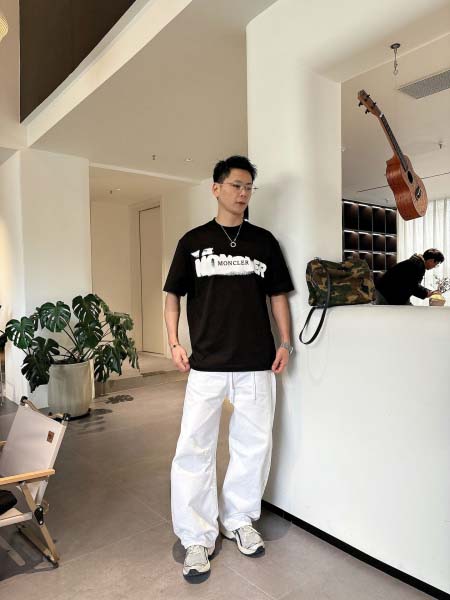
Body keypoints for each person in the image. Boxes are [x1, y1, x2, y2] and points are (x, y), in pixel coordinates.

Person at [163, 155, 294, 579]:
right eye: (236, 185)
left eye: (249, 187)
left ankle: (239, 519)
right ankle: (196, 536)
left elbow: (277, 295)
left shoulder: (264, 242)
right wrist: (173, 341)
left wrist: (285, 341)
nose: (243, 193)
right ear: (216, 188)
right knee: (193, 449)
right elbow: (173, 295)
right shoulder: (193, 241)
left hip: (256, 361)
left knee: (253, 446)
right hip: (206, 364)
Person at [375, 248, 444, 305]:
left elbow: (412, 284)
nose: (434, 266)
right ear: (431, 260)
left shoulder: (416, 263)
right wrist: (427, 293)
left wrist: (428, 292)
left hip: (391, 293)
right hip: (386, 294)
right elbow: (413, 285)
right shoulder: (416, 266)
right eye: (436, 264)